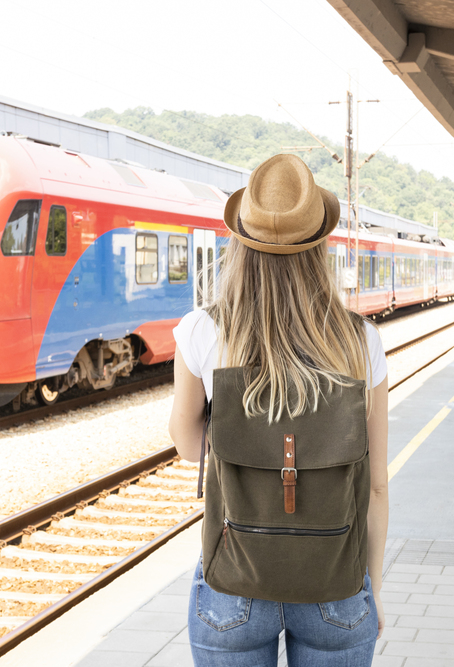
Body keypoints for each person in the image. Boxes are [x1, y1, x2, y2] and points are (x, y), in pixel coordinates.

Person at [169, 153, 390, 666]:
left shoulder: (203, 331)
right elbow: (376, 487)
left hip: (233, 585)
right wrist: (372, 588)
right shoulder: (361, 342)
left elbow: (187, 446)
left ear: (240, 245)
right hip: (336, 585)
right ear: (320, 248)